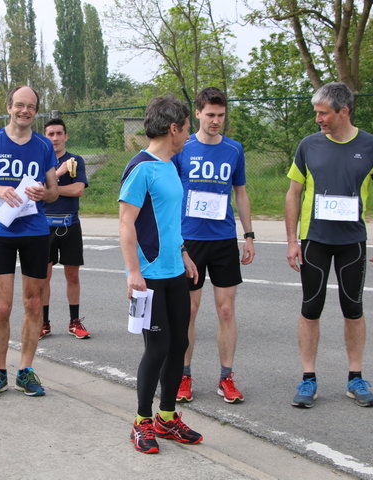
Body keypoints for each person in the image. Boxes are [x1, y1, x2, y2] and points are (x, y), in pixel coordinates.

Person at [285, 82, 373, 408]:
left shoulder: (372, 146)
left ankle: (355, 378)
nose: (318, 118)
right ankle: (308, 380)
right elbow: (293, 192)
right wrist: (292, 240)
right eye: (316, 113)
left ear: (343, 111)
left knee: (353, 309)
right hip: (315, 241)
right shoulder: (309, 145)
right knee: (310, 308)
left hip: (352, 243)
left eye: (323, 113)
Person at [120, 96, 203, 454]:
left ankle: (167, 418)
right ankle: (142, 421)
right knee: (157, 347)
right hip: (149, 275)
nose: (189, 134)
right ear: (174, 129)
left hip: (173, 271)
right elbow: (126, 223)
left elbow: (169, 219)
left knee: (179, 344)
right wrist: (133, 272)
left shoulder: (173, 164)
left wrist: (184, 252)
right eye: (186, 127)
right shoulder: (141, 167)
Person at [0, 86, 58, 399]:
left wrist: (44, 194)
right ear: (9, 107)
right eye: (19, 105)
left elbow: (54, 191)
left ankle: (25, 370)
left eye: (30, 106)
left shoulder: (44, 145)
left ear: (36, 111)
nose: (24, 111)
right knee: (2, 306)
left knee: (34, 303)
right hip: (2, 233)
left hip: (35, 232)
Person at [172, 87, 255, 404]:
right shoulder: (183, 148)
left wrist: (248, 235)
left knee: (225, 310)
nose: (216, 121)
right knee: (189, 311)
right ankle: (183, 375)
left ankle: (226, 377)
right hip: (190, 240)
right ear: (198, 114)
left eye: (221, 115)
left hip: (222, 240)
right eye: (210, 115)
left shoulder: (234, 150)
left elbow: (241, 193)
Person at [40, 118, 90, 340]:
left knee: (73, 276)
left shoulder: (75, 160)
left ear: (66, 136)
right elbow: (35, 190)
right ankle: (44, 323)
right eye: (50, 134)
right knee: (44, 277)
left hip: (70, 224)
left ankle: (74, 321)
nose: (55, 138)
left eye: (59, 133)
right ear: (44, 136)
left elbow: (79, 189)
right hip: (44, 226)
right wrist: (58, 175)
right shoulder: (40, 161)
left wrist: (52, 189)